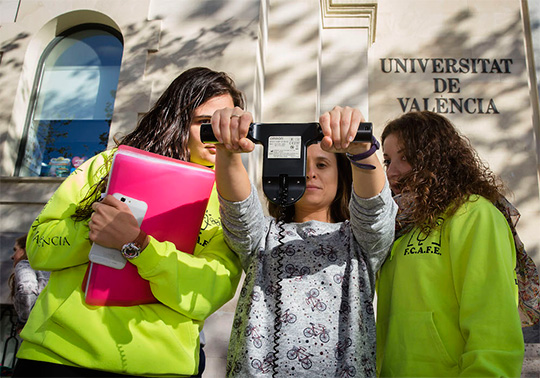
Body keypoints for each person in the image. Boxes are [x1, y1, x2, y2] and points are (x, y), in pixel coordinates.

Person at [13, 67, 243, 377]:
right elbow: (39, 247)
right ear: (177, 119)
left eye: (226, 124)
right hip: (58, 355)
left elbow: (210, 291)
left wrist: (140, 246)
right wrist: (92, 231)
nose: (217, 134)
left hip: (161, 367)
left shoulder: (232, 199)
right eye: (205, 123)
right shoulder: (107, 164)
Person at [210, 106, 397, 376]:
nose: (310, 174)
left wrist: (361, 150)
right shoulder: (262, 236)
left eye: (322, 165)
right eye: (301, 164)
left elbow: (374, 209)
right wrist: (227, 150)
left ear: (340, 176)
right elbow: (237, 207)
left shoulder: (359, 240)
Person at [376, 110, 526, 377]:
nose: (392, 172)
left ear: (437, 159)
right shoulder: (400, 226)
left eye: (406, 158)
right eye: (387, 161)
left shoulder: (473, 214)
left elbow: (494, 324)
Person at [8, 234, 50, 334]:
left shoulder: (25, 265)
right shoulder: (54, 267)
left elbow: (27, 290)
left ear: (26, 249)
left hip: (34, 330)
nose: (12, 256)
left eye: (16, 250)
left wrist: (23, 321)